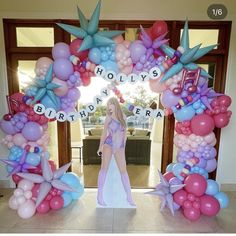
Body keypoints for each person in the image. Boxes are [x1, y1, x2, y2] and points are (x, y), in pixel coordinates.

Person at [97, 97, 135, 206]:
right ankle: (99, 195)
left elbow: (125, 134)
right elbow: (104, 133)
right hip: (108, 144)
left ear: (115, 104)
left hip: (120, 146)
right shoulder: (108, 118)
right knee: (104, 168)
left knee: (123, 171)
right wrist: (100, 146)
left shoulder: (123, 117)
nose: (109, 107)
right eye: (108, 105)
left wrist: (124, 147)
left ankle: (129, 196)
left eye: (111, 104)